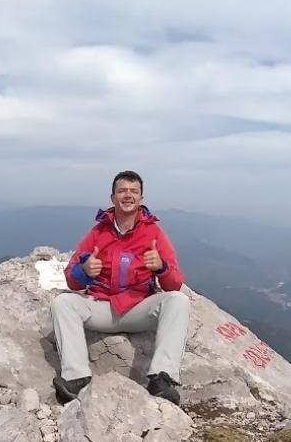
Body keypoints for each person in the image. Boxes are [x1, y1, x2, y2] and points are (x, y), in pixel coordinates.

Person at [51, 170, 191, 404]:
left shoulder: (153, 233)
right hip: (102, 308)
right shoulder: (98, 232)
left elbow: (174, 284)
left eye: (133, 191)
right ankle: (76, 378)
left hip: (138, 309)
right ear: (112, 197)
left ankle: (162, 379)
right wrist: (84, 271)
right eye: (122, 191)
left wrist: (161, 267)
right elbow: (71, 281)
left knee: (179, 301)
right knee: (62, 302)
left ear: (141, 198)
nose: (128, 195)